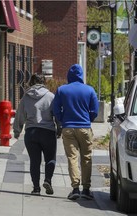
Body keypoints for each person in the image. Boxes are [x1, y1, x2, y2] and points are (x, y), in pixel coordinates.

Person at [53, 64, 99, 200]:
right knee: (86, 158)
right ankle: (86, 189)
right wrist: (88, 119)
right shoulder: (90, 90)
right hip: (84, 127)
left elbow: (56, 109)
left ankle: (75, 188)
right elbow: (95, 111)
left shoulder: (61, 90)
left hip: (68, 128)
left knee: (72, 158)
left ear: (69, 75)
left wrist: (62, 120)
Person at [13, 74, 57, 196]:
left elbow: (20, 114)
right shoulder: (51, 96)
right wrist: (60, 128)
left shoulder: (26, 97)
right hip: (48, 131)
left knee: (34, 161)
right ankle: (48, 180)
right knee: (50, 159)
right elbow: (57, 113)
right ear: (44, 82)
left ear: (31, 82)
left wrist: (17, 130)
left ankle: (36, 188)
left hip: (31, 132)